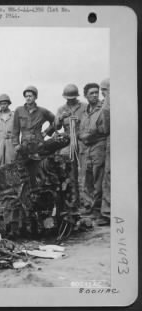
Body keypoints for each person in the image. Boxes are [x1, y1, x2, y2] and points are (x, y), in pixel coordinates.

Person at [12, 86, 55, 186]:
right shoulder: (19, 110)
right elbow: (15, 129)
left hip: (38, 144)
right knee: (22, 169)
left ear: (35, 97)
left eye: (30, 96)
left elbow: (55, 121)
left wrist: (46, 132)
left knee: (38, 168)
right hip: (24, 145)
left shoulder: (42, 111)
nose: (28, 98)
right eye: (26, 96)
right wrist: (16, 144)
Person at [78, 83, 109, 221]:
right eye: (92, 93)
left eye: (97, 92)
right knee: (87, 179)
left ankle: (98, 210)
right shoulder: (85, 112)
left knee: (99, 179)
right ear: (86, 96)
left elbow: (103, 130)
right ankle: (90, 207)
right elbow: (80, 129)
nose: (95, 95)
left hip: (98, 146)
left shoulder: (102, 109)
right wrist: (81, 136)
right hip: (86, 149)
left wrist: (88, 135)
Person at [55, 84, 87, 209]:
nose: (70, 100)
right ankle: (74, 202)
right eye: (68, 98)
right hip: (68, 142)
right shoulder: (61, 109)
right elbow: (56, 126)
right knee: (69, 173)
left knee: (85, 173)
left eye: (72, 97)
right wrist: (60, 118)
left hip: (82, 141)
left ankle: (88, 204)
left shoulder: (84, 107)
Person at [100, 78, 110, 224]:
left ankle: (108, 212)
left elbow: (106, 127)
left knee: (109, 175)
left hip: (113, 138)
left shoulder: (107, 103)